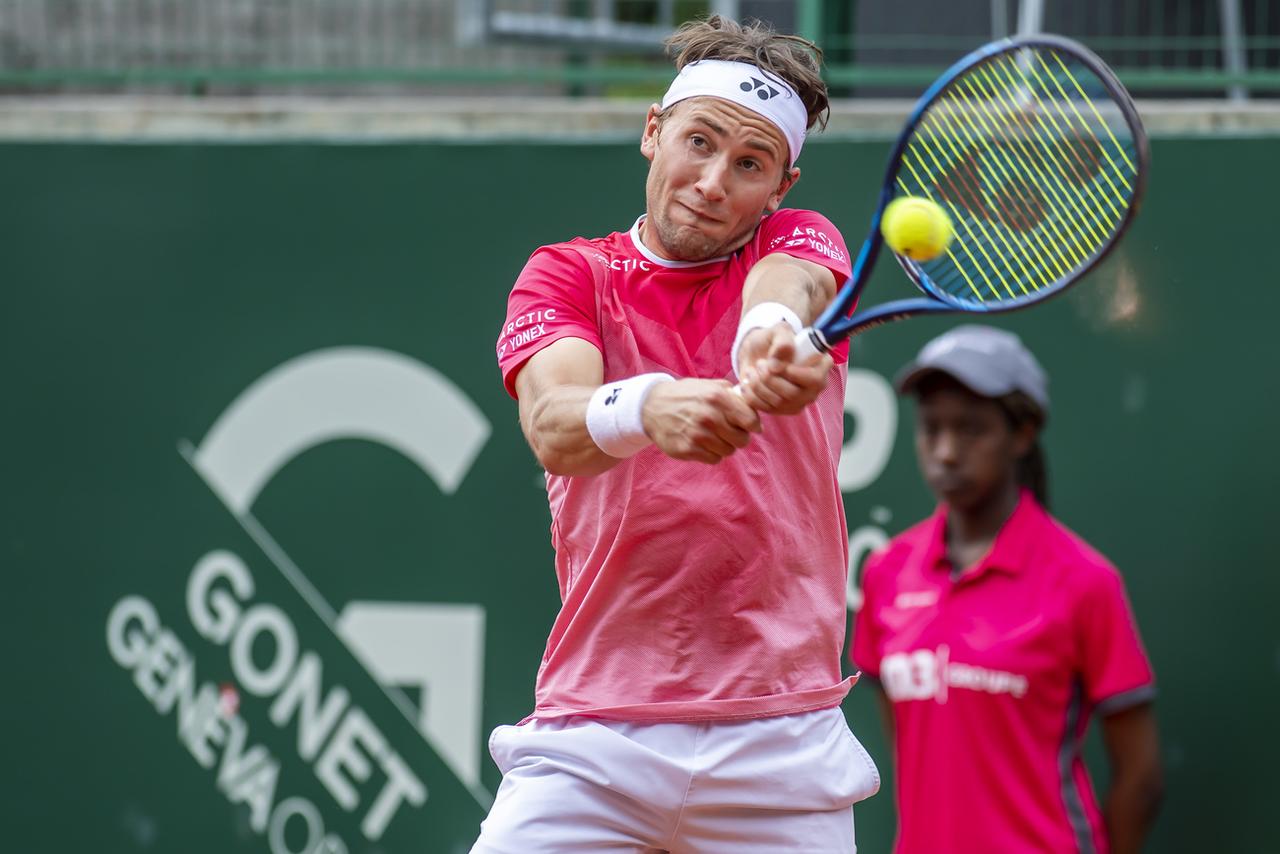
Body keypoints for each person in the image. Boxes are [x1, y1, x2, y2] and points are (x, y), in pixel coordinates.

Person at [477, 15, 880, 854]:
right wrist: (650, 406)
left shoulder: (802, 239)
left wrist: (765, 335)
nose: (711, 181)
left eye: (749, 165)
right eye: (697, 142)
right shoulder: (566, 273)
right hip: (596, 738)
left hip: (782, 741)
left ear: (781, 185)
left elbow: (791, 284)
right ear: (652, 132)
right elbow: (555, 426)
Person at [851, 325, 1164, 854]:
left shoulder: (1084, 580)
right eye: (931, 428)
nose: (946, 452)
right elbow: (910, 750)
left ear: (1022, 433)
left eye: (971, 430)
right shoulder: (886, 572)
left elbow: (1142, 778)